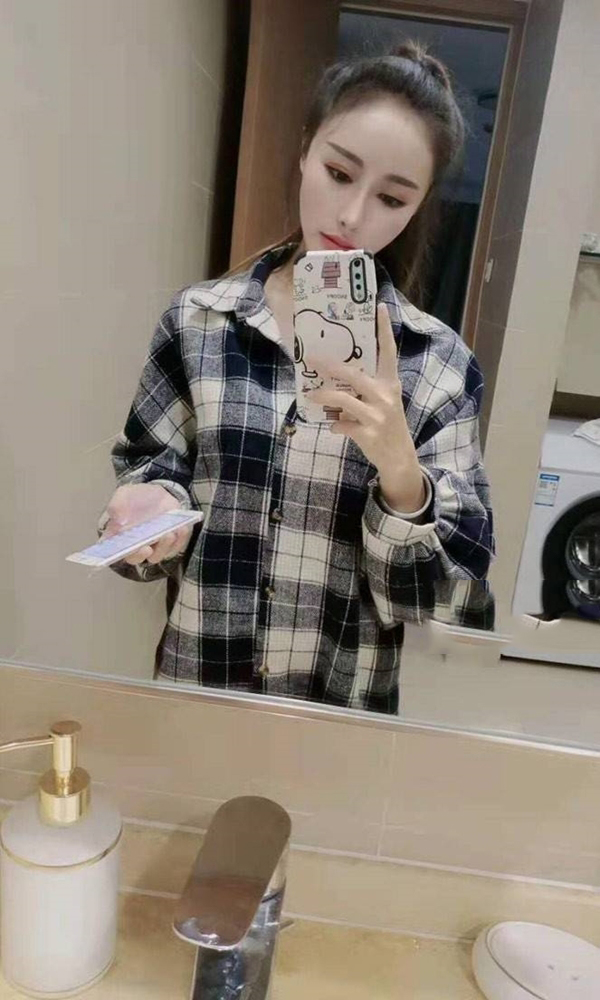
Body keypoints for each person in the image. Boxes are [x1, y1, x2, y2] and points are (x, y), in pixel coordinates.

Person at [100, 40, 495, 713]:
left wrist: (401, 474)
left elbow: (447, 601)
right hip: (200, 694)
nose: (353, 216)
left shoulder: (439, 366)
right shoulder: (198, 323)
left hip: (342, 717)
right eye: (339, 173)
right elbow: (150, 478)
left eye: (392, 197)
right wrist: (152, 510)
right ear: (306, 148)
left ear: (418, 207)